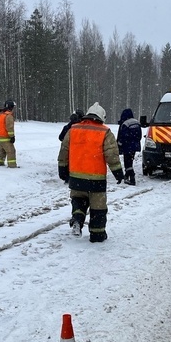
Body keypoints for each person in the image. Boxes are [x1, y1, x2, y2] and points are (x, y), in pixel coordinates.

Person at [57, 102, 124, 242]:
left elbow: (64, 150)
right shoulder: (105, 132)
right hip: (96, 180)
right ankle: (97, 234)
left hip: (76, 177)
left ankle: (77, 219)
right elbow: (111, 155)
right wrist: (118, 172)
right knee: (98, 208)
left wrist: (62, 169)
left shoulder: (73, 130)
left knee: (78, 201)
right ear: (102, 117)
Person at [116, 108, 143, 185]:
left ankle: (132, 178)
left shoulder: (125, 124)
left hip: (127, 146)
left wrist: (119, 145)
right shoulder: (137, 122)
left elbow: (122, 136)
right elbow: (139, 136)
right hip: (135, 146)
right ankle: (127, 176)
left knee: (127, 162)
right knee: (130, 161)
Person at [0, 100, 17, 168]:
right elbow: (9, 127)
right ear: (11, 107)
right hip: (5, 138)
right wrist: (12, 136)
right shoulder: (8, 116)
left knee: (2, 152)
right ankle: (12, 165)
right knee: (11, 151)